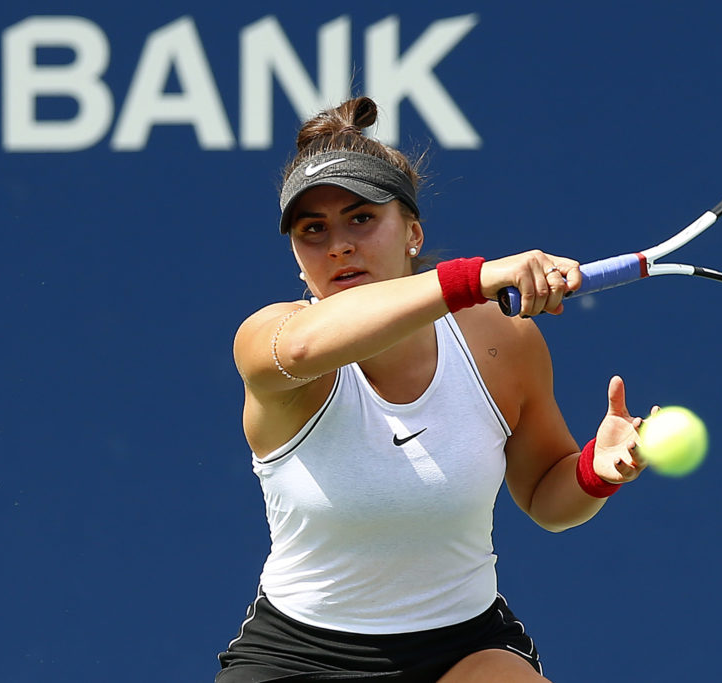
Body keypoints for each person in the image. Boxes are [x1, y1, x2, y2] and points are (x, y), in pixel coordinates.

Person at [216, 96, 648, 683]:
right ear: (297, 258)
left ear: (412, 232)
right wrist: (476, 278)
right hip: (299, 660)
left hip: (466, 651)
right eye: (313, 230)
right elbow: (300, 348)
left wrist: (596, 472)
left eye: (361, 218)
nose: (339, 244)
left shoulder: (502, 341)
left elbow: (548, 499)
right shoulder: (270, 341)